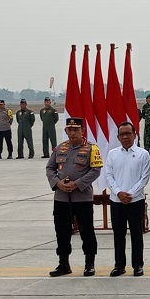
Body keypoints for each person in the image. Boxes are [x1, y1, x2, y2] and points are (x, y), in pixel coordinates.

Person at [45, 117, 103, 277]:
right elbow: (50, 168)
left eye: (76, 129)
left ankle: (89, 263)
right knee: (62, 231)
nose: (72, 132)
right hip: (61, 198)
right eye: (69, 130)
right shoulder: (59, 148)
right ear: (65, 131)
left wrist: (77, 184)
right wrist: (57, 183)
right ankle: (63, 264)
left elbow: (95, 170)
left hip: (82, 198)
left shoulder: (92, 148)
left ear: (82, 130)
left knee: (87, 231)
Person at [105, 121, 150, 277]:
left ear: (134, 135)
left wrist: (129, 194)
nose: (125, 137)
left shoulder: (143, 154)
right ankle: (119, 265)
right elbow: (108, 176)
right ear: (118, 137)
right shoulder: (112, 154)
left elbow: (144, 178)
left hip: (135, 200)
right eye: (122, 134)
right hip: (116, 201)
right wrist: (118, 193)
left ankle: (138, 265)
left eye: (128, 133)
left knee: (137, 234)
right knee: (118, 234)